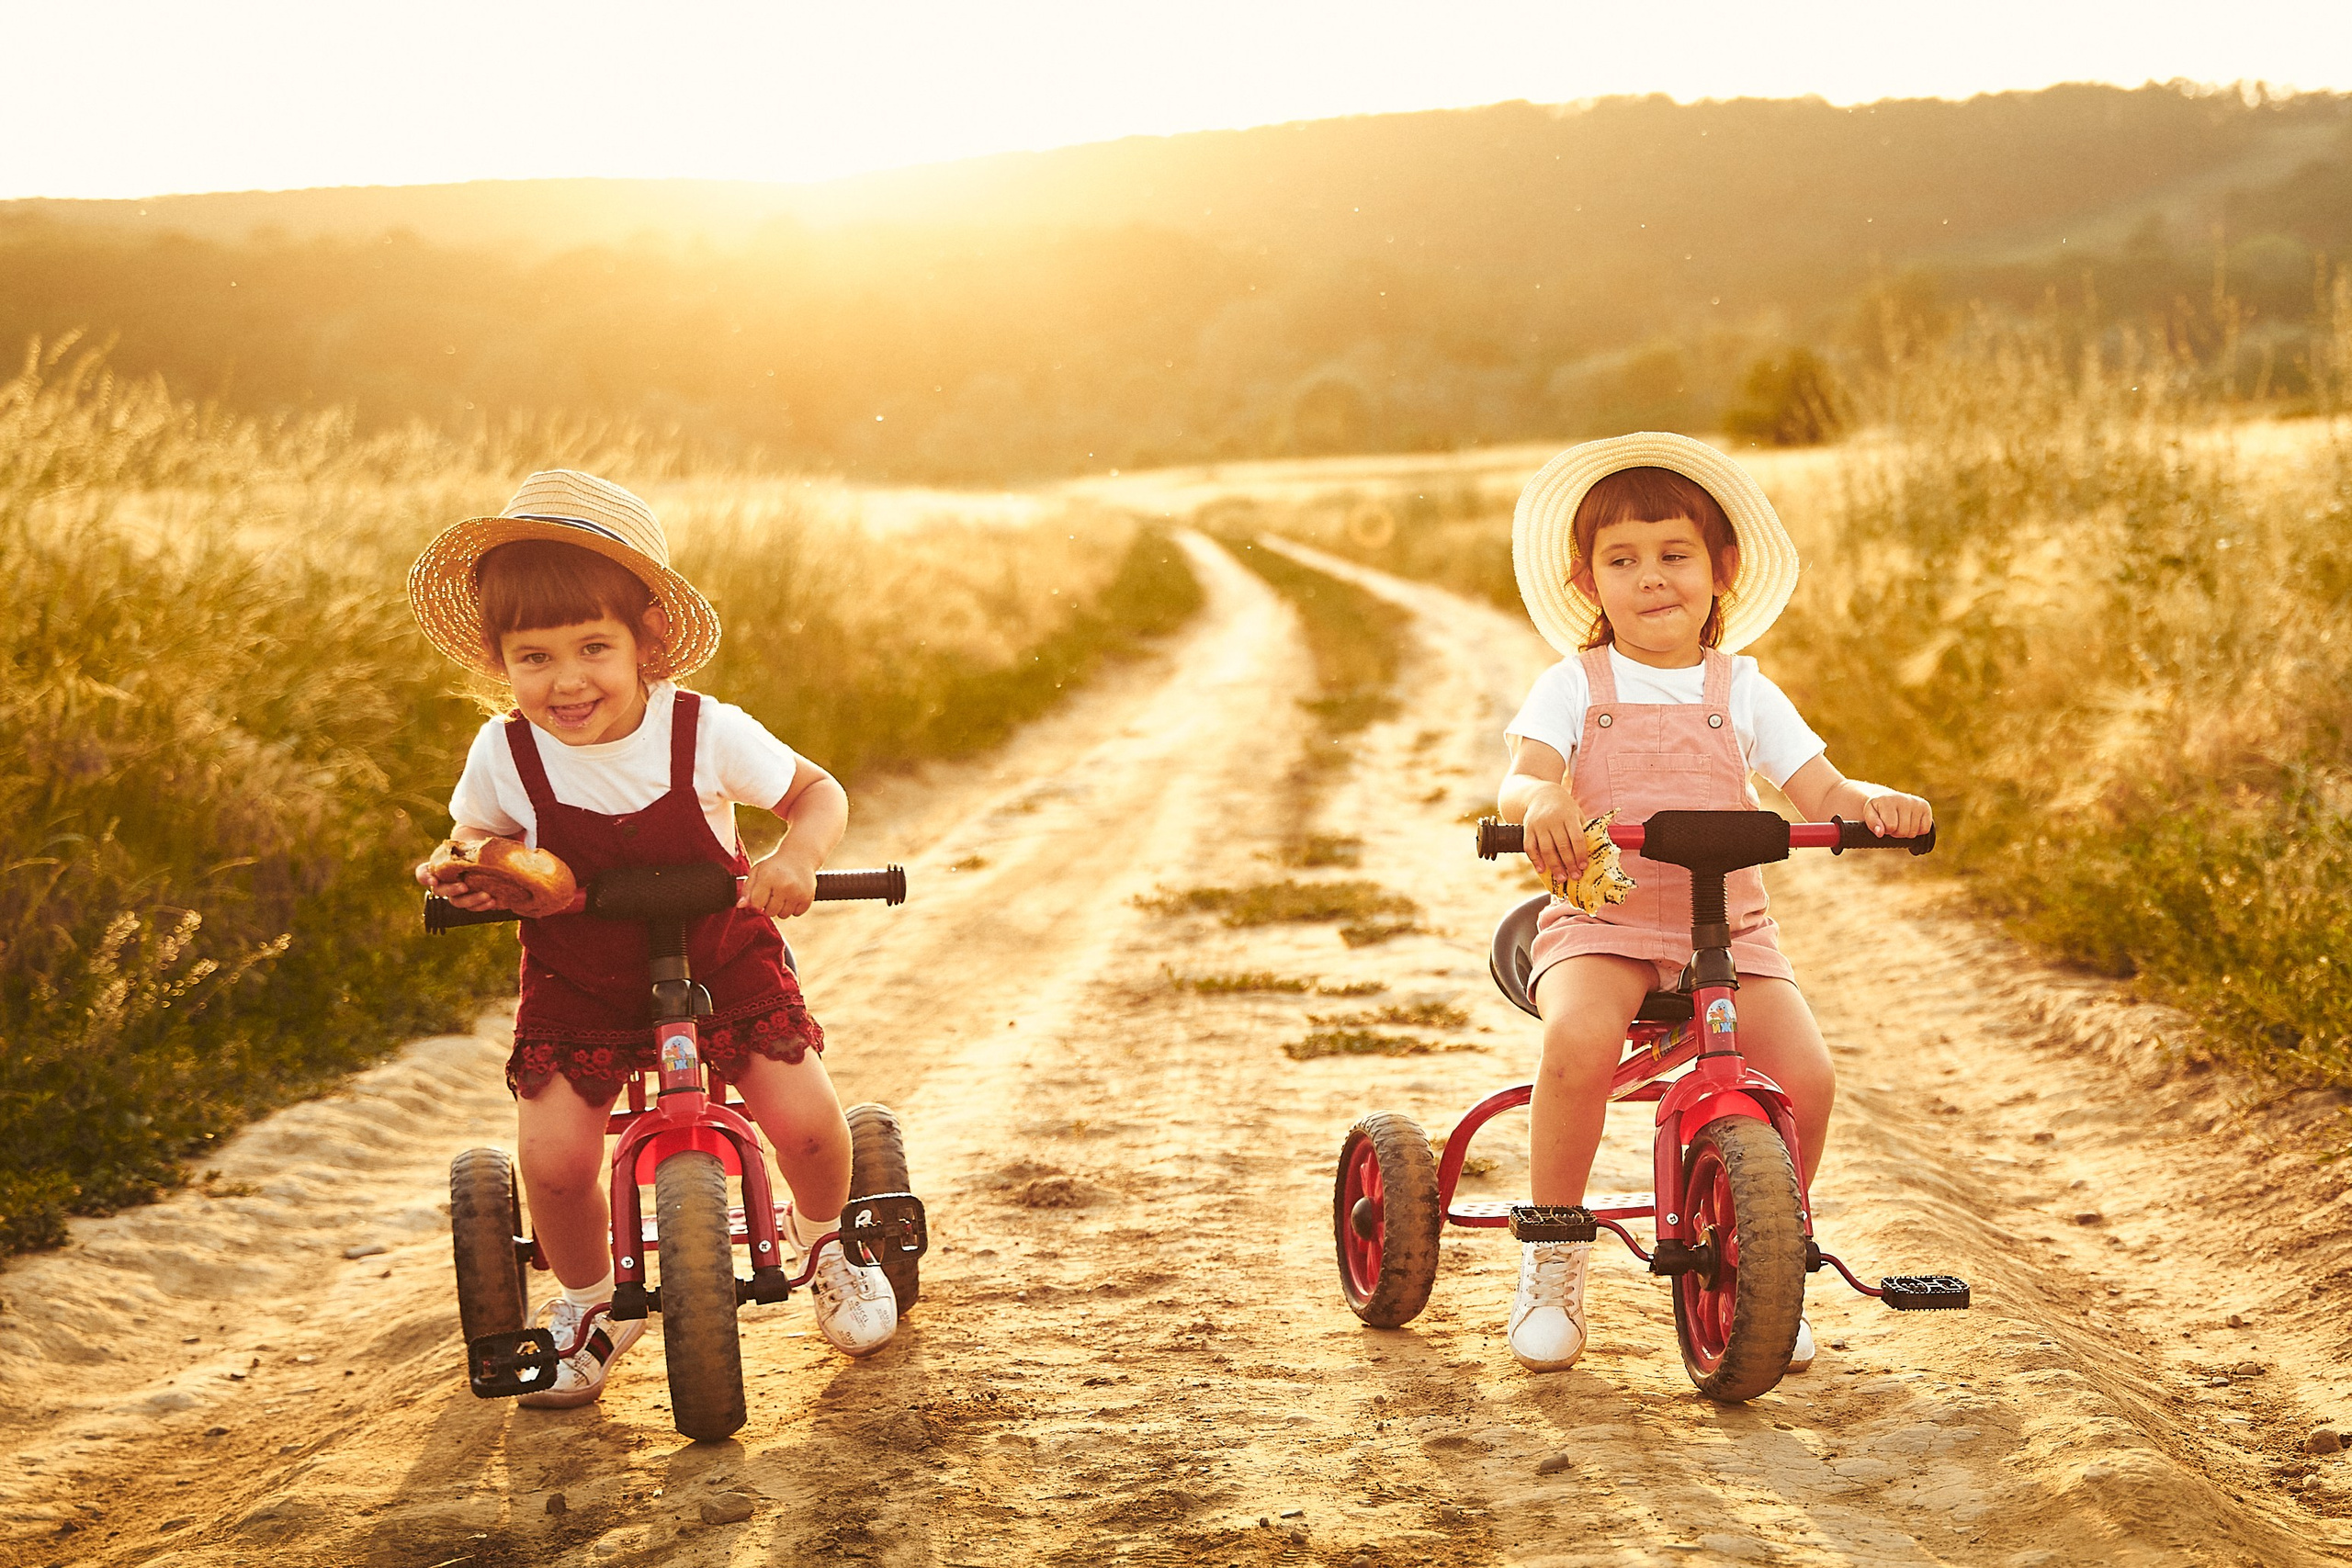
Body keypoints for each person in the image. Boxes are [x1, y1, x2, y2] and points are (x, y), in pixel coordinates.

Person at [407, 469, 896, 1408]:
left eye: (593, 647)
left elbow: (815, 792)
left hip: (721, 957)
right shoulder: (504, 752)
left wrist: (796, 856)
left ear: (649, 639)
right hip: (579, 977)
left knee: (803, 1121)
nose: (566, 680)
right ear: (499, 659)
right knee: (553, 1162)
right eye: (533, 656)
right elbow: (474, 837)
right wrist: (468, 872)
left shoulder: (704, 731)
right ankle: (591, 1300)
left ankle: (831, 1241)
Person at [1494, 433, 1932, 1374]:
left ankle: (1767, 1264)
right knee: (1578, 1044)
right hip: (1604, 924)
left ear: (1720, 568)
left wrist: (1875, 805)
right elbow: (1522, 776)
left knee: (1804, 1076)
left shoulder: (1745, 689)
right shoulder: (1574, 684)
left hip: (1730, 932)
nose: (1651, 578)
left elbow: (1823, 791)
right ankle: (1553, 1254)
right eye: (1622, 560)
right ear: (1588, 582)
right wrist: (1541, 803)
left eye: (1674, 554)